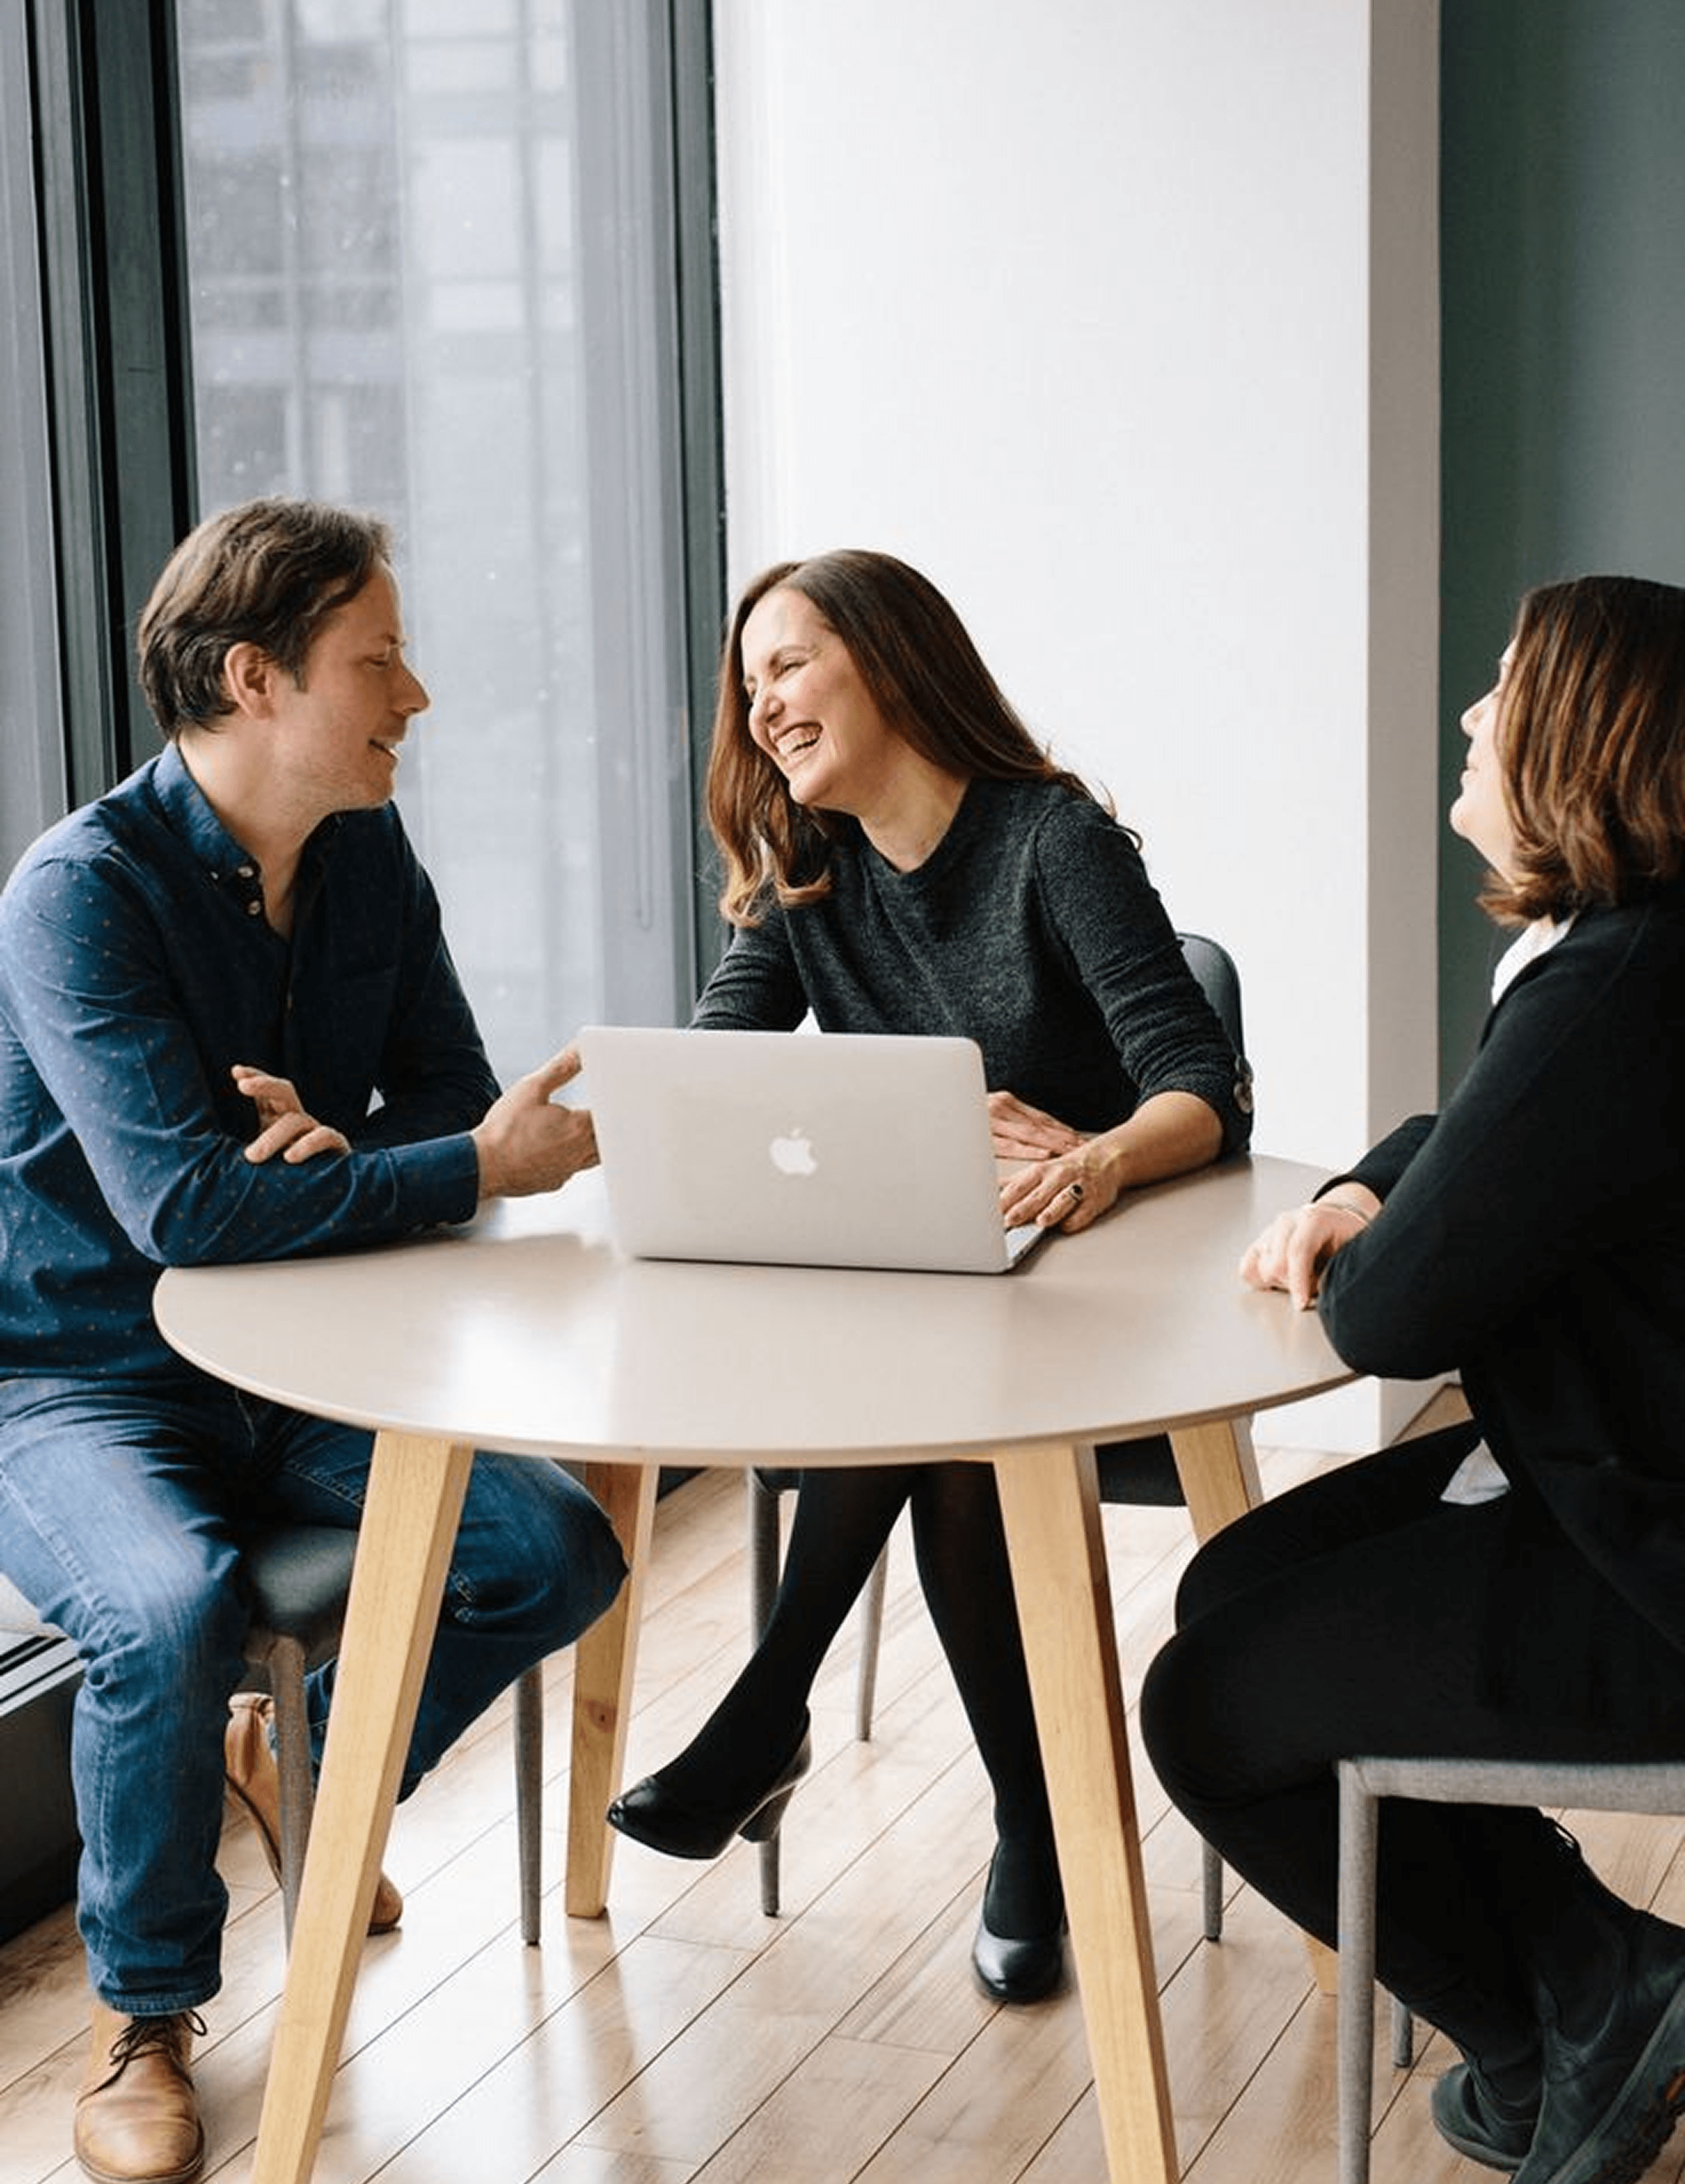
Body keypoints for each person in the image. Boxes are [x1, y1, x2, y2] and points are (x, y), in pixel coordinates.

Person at [0, 498, 628, 2184]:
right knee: (164, 1605)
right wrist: (456, 1169)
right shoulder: (79, 893)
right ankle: (144, 2017)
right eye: (378, 660)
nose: (412, 694)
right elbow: (187, 1213)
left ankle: (311, 1763)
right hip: (74, 1374)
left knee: (550, 1547)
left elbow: (437, 1089)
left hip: (298, 1359)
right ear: (252, 678)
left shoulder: (363, 857)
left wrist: (372, 1159)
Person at [605, 547, 1253, 2003]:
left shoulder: (1050, 842)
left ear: (889, 664)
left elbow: (1196, 1086)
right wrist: (586, 1111)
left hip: (1112, 1301)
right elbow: (713, 1058)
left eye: (788, 664)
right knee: (942, 1412)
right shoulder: (806, 865)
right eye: (748, 680)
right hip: (948, 1311)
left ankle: (786, 1719)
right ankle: (1019, 1831)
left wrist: (1089, 1160)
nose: (761, 705)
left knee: (948, 1423)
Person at [1140, 574, 1685, 2184]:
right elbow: (1475, 1158)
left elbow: (1388, 1322)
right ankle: (1584, 1995)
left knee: (1202, 1709)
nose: (1468, 714)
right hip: (1601, 1470)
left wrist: (1364, 1230)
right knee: (1229, 1582)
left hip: (1641, 1551)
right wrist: (1372, 1189)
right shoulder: (1613, 955)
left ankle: (1565, 2013)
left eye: (1502, 687)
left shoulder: (1607, 989)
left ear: (1580, 736)